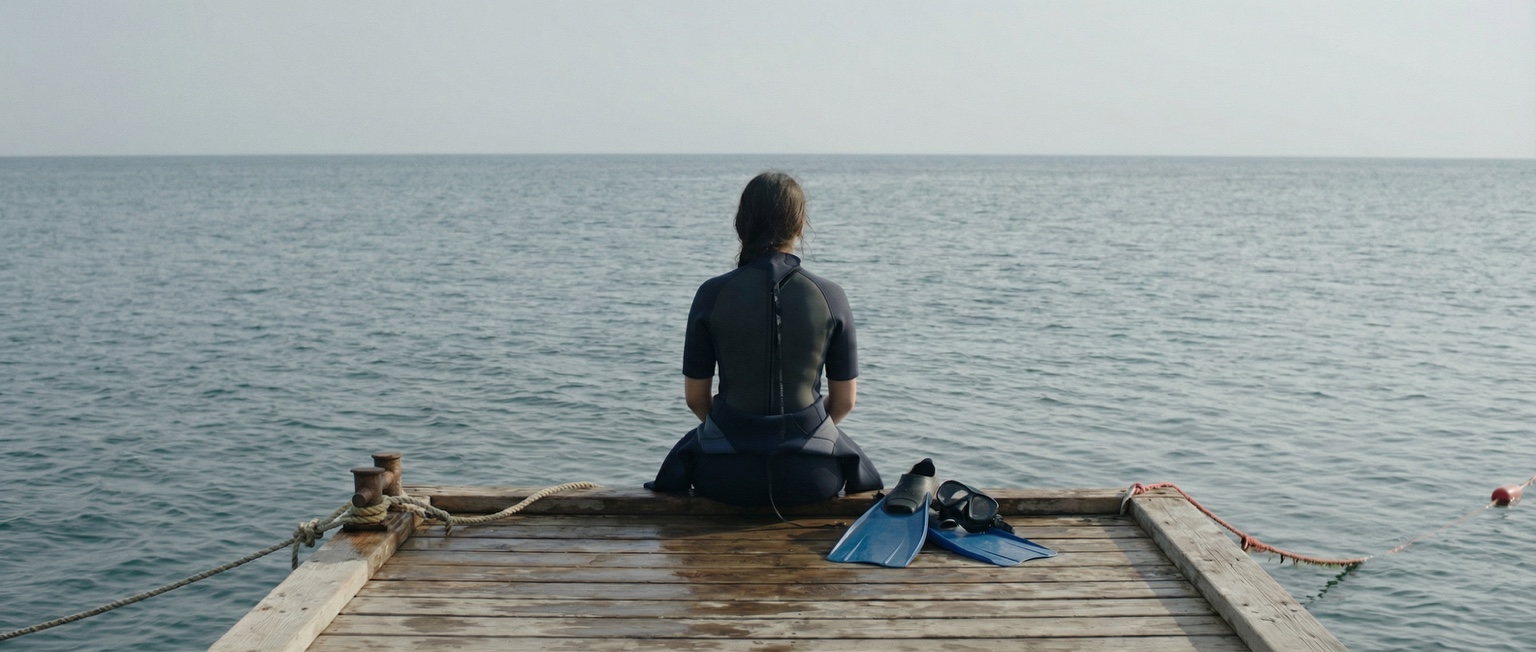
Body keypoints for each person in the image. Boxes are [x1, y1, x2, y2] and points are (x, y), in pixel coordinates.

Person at [645, 172, 883, 506]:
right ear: (800, 226)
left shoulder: (711, 294)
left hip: (723, 476)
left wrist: (739, 432)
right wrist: (804, 432)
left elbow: (696, 399)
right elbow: (844, 402)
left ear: (741, 225)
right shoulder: (830, 296)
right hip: (813, 478)